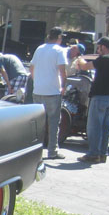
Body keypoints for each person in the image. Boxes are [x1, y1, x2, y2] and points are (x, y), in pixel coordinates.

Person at [75, 37, 109, 164]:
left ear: (103, 47)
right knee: (105, 127)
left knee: (94, 126)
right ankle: (103, 154)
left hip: (99, 96)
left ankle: (93, 154)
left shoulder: (104, 59)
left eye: (98, 47)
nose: (98, 50)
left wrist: (80, 59)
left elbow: (85, 66)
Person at [29, 27, 68, 160]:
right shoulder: (59, 50)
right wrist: (63, 86)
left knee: (38, 124)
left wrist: (37, 81)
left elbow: (31, 67)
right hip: (52, 91)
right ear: (58, 37)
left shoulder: (39, 49)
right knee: (53, 123)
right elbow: (62, 71)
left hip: (38, 90)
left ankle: (34, 151)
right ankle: (52, 151)